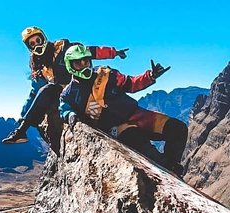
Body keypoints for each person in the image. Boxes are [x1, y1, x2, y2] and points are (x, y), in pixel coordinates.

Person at [59, 44, 188, 177]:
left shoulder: (106, 74)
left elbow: (130, 83)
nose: (84, 65)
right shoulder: (69, 93)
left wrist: (150, 76)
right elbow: (63, 108)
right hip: (116, 128)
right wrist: (70, 115)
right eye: (78, 63)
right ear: (70, 66)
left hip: (137, 115)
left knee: (178, 129)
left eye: (85, 61)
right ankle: (167, 170)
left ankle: (172, 166)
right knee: (146, 149)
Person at [2, 26, 129, 151]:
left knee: (49, 89)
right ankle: (21, 132)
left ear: (44, 39)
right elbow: (35, 92)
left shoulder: (63, 49)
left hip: (81, 89)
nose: (37, 45)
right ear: (29, 48)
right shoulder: (40, 67)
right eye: (32, 44)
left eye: (38, 41)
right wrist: (24, 116)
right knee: (47, 90)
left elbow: (91, 51)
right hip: (66, 99)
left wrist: (114, 52)